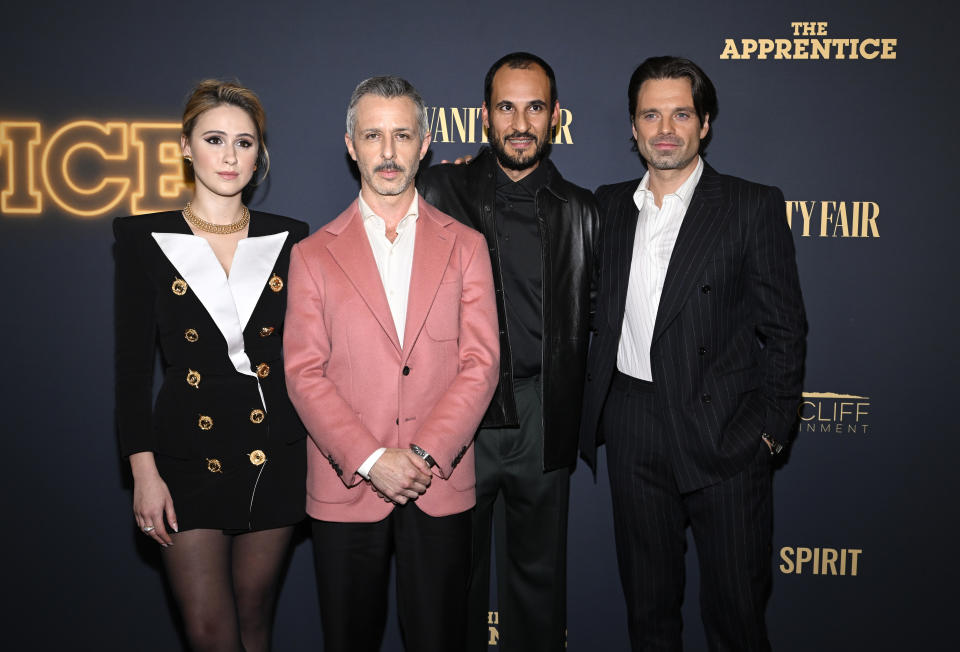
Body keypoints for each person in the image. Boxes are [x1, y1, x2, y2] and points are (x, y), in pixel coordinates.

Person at [579, 56, 807, 651]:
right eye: (650, 115)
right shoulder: (606, 208)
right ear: (632, 127)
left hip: (725, 427)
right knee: (648, 611)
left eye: (680, 114)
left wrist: (771, 433)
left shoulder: (750, 205)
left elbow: (786, 327)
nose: (664, 129)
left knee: (736, 613)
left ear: (704, 123)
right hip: (632, 421)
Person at [283, 76, 499, 652]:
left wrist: (424, 454)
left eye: (402, 135)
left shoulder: (467, 246)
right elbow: (304, 372)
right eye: (373, 135)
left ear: (425, 143)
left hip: (439, 480)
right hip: (347, 484)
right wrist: (372, 458)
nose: (387, 152)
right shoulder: (312, 256)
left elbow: (481, 362)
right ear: (350, 144)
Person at [113, 80, 308, 651]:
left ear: (260, 155)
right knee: (209, 632)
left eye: (245, 143)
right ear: (185, 146)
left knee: (253, 624)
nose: (230, 156)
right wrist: (144, 473)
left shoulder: (291, 238)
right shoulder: (143, 236)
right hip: (184, 458)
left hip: (272, 449)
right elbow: (129, 369)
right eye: (215, 139)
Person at [418, 52, 598, 652]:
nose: (521, 122)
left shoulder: (583, 211)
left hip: (543, 415)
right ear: (485, 118)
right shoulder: (439, 190)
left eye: (535, 107)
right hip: (458, 417)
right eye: (506, 107)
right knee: (455, 585)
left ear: (555, 118)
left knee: (538, 588)